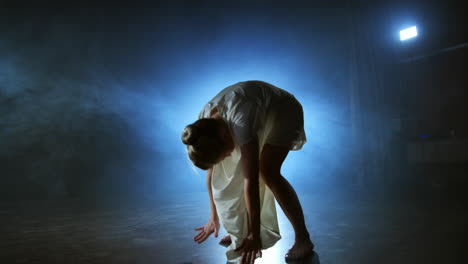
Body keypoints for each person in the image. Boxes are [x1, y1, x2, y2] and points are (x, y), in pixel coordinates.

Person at [181, 80, 314, 264]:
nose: (229, 155)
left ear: (225, 136)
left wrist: (254, 236)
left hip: (283, 112)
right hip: (256, 111)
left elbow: (250, 182)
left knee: (268, 171)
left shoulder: (242, 121)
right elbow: (211, 175)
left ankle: (303, 238)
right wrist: (213, 218)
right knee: (232, 173)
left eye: (225, 153)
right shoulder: (203, 129)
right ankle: (240, 233)